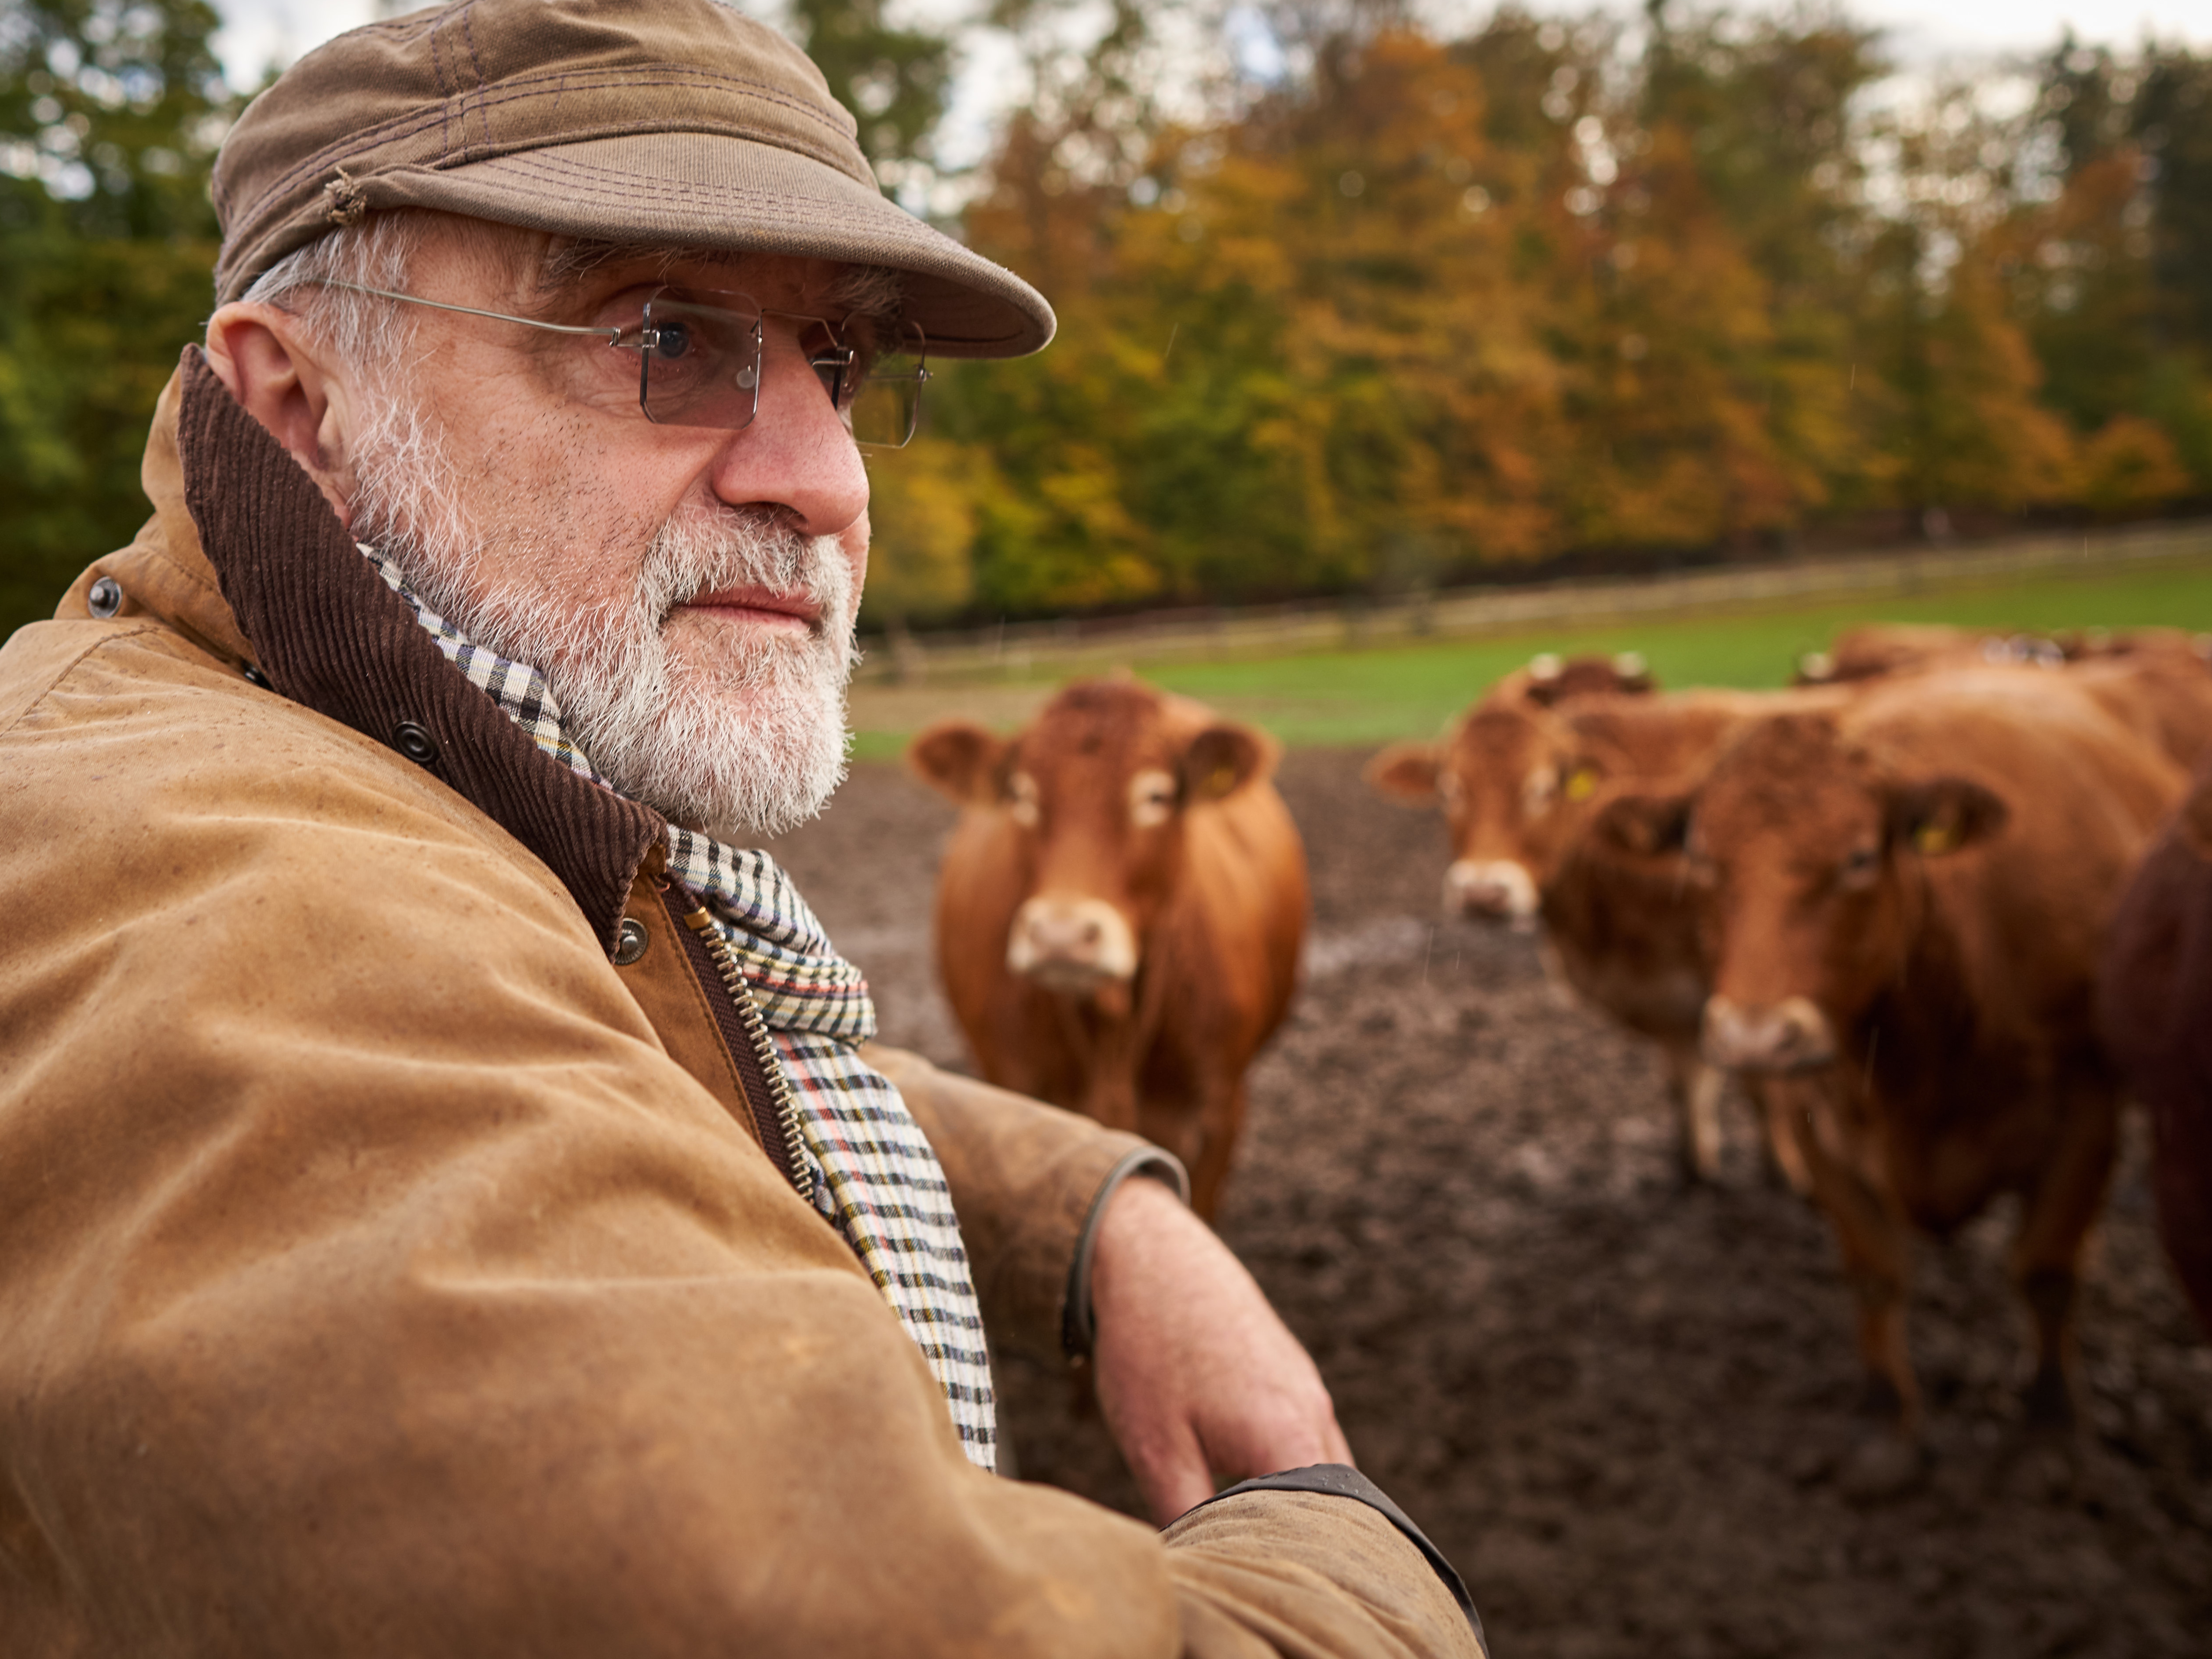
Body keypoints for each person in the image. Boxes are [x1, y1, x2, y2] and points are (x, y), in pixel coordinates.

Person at [0, 1, 1482, 1652]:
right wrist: (1343, 1547)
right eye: (664, 340)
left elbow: (571, 1021)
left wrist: (1077, 1214)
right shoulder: (203, 883)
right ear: (297, 403)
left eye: (836, 362)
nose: (825, 477)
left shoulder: (380, 747)